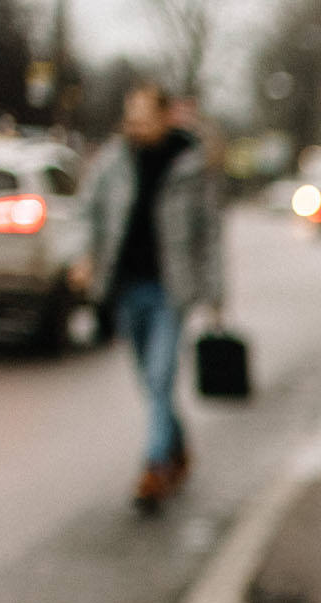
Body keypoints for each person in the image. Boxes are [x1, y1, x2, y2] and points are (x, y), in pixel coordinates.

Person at [84, 81, 223, 512]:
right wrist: (84, 257)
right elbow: (88, 210)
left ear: (165, 117)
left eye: (144, 117)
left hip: (170, 290)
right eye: (131, 116)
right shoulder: (114, 160)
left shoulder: (190, 166)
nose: (135, 125)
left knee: (161, 377)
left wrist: (215, 294)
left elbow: (209, 234)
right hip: (127, 286)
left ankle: (155, 468)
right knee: (150, 380)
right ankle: (176, 446)